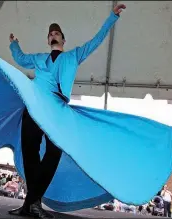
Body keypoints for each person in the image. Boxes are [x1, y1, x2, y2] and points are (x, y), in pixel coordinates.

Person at [7, 3, 126, 219]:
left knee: (53, 153)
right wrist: (14, 45)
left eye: (56, 33)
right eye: (50, 34)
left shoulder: (73, 56)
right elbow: (20, 59)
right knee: (30, 155)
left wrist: (112, 17)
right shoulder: (38, 58)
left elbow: (96, 40)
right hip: (34, 108)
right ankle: (32, 204)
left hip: (57, 111)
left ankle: (31, 203)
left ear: (63, 40)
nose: (53, 36)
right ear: (48, 40)